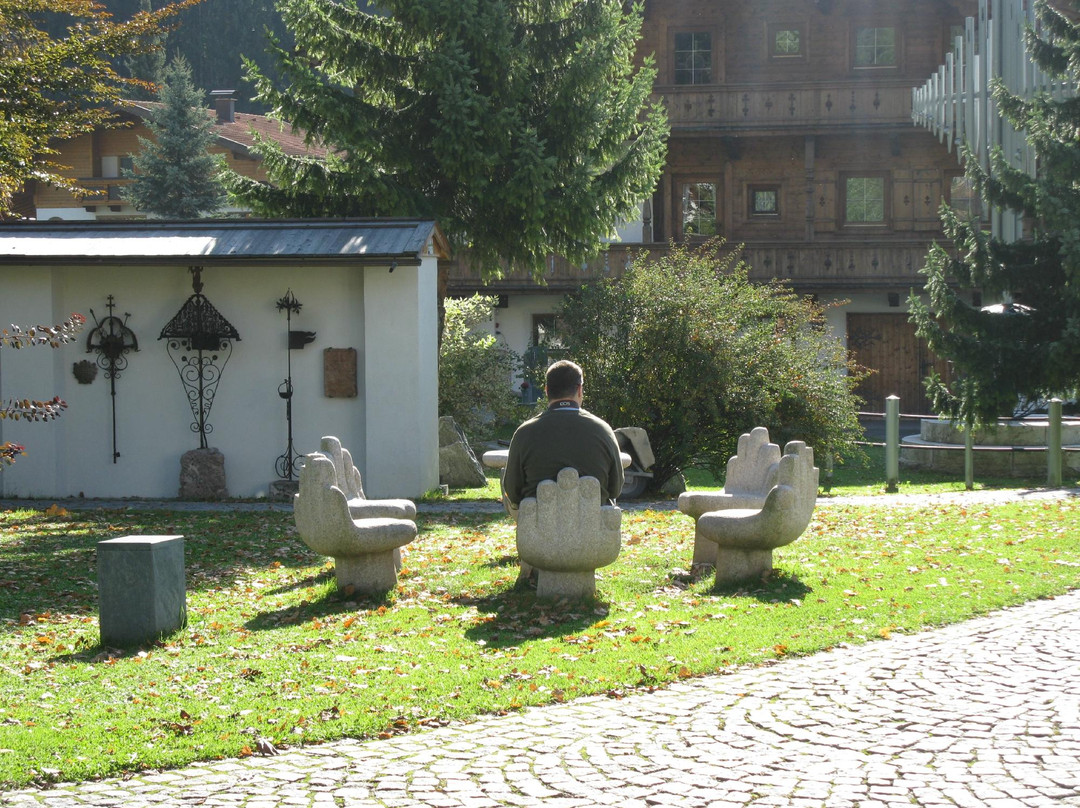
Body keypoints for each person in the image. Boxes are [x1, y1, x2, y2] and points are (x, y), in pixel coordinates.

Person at [502, 359, 623, 519]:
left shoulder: (524, 433)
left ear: (546, 390)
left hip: (539, 532)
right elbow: (615, 488)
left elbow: (513, 491)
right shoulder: (603, 430)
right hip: (592, 531)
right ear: (579, 390)